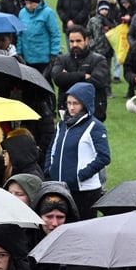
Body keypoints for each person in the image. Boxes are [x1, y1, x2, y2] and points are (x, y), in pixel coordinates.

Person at [44, 81, 110, 218]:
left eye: (76, 103)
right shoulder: (62, 125)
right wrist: (49, 169)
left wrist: (82, 175)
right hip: (60, 188)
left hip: (85, 191)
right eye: (69, 103)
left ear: (85, 104)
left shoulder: (95, 126)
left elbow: (104, 157)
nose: (71, 108)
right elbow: (52, 149)